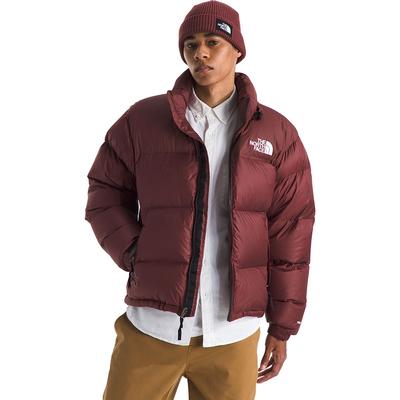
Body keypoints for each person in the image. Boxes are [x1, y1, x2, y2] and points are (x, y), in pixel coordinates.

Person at [84, 1, 316, 399]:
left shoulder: (277, 134)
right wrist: (136, 252)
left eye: (213, 42)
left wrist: (283, 326)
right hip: (152, 327)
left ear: (237, 50)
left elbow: (291, 231)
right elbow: (103, 192)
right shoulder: (142, 121)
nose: (201, 53)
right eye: (191, 44)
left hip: (233, 335)